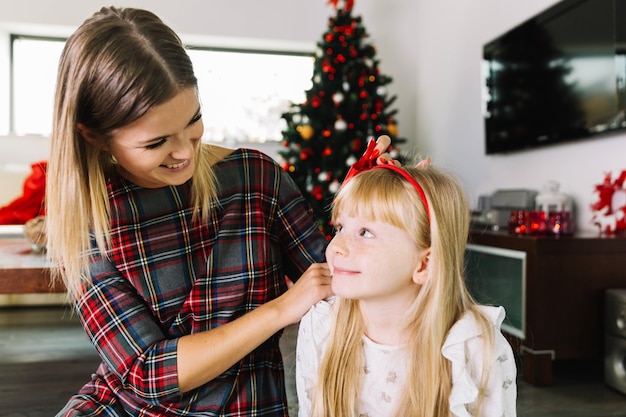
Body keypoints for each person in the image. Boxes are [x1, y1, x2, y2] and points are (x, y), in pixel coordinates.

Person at [45, 6, 396, 416]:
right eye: (156, 142)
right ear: (95, 137)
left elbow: (345, 284)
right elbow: (149, 374)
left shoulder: (255, 178)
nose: (183, 152)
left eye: (193, 121)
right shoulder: (87, 223)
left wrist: (384, 207)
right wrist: (281, 309)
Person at [296, 162, 518, 417]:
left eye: (365, 232)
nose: (337, 247)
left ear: (424, 264)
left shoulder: (475, 347)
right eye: (340, 228)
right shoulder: (321, 327)